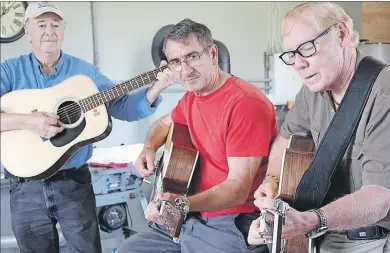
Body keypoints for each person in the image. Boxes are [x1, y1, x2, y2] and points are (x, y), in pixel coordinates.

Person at [0, 2, 171, 253]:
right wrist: (29, 121)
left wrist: (155, 87)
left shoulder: (84, 73)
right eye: (42, 24)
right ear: (28, 32)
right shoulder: (10, 71)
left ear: (63, 30)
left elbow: (121, 106)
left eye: (56, 24)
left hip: (73, 183)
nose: (50, 30)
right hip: (26, 187)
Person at [248, 2, 390, 253]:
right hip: (326, 233)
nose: (298, 63)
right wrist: (272, 181)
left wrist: (310, 221)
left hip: (378, 240)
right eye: (291, 55)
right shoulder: (312, 91)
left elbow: (378, 199)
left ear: (341, 34)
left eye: (307, 48)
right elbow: (286, 138)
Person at [118, 18, 278, 253]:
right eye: (175, 62)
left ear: (213, 54)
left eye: (192, 56)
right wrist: (149, 148)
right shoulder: (192, 98)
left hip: (231, 221)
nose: (185, 69)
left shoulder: (245, 103)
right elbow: (162, 124)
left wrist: (182, 205)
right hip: (191, 215)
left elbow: (238, 188)